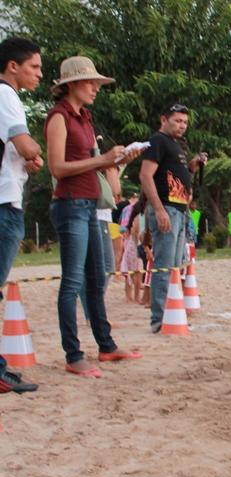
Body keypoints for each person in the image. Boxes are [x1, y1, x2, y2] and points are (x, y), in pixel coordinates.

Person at [46, 56, 142, 376]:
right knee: (73, 280)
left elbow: (93, 163)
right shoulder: (59, 117)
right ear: (71, 84)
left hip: (89, 203)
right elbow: (57, 168)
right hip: (71, 203)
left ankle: (106, 346)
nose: (96, 88)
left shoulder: (85, 118)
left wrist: (118, 159)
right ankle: (73, 355)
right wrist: (101, 159)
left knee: (96, 277)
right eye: (91, 83)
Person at [139, 103, 207, 333]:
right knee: (164, 266)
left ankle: (171, 313)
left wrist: (193, 167)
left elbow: (178, 177)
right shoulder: (157, 141)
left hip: (179, 209)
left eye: (185, 122)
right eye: (177, 120)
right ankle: (159, 320)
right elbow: (146, 175)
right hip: (166, 208)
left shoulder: (176, 145)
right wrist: (158, 210)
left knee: (175, 266)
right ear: (164, 119)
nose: (182, 126)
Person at [0, 37, 42, 393]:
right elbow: (25, 144)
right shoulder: (6, 95)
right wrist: (34, 152)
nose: (39, 74)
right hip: (3, 203)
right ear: (12, 66)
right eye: (35, 66)